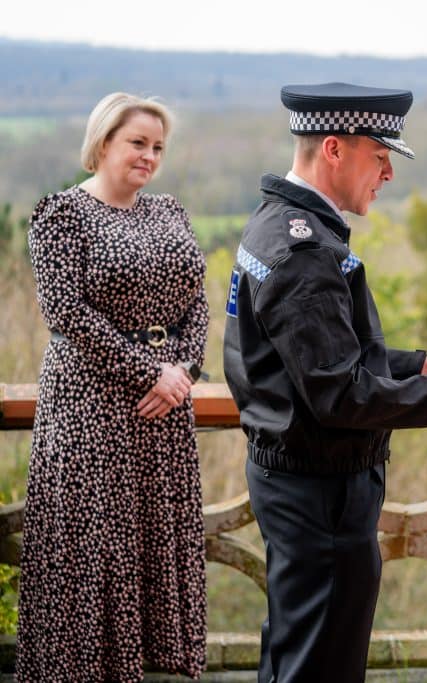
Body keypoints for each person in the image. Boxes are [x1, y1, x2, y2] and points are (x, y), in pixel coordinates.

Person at [222, 82, 427, 683]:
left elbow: (315, 357)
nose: (387, 175)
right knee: (320, 666)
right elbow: (338, 394)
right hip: (320, 492)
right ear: (334, 149)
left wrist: (421, 366)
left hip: (296, 481)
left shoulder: (277, 224)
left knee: (297, 652)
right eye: (380, 157)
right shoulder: (304, 251)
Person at [17, 93, 209, 680]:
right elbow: (66, 313)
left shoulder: (169, 210)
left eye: (157, 147)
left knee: (152, 540)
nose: (149, 156)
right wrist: (151, 371)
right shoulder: (62, 214)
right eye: (137, 143)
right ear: (103, 143)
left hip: (162, 409)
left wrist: (183, 372)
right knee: (93, 546)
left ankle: (149, 665)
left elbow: (197, 300)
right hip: (89, 407)